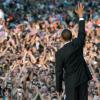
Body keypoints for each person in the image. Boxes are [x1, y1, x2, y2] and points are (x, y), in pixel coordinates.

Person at [55, 3, 93, 100]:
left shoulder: (60, 53)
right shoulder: (77, 43)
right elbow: (81, 32)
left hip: (71, 83)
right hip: (82, 79)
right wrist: (81, 16)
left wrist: (58, 88)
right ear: (72, 36)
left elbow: (59, 72)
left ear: (62, 39)